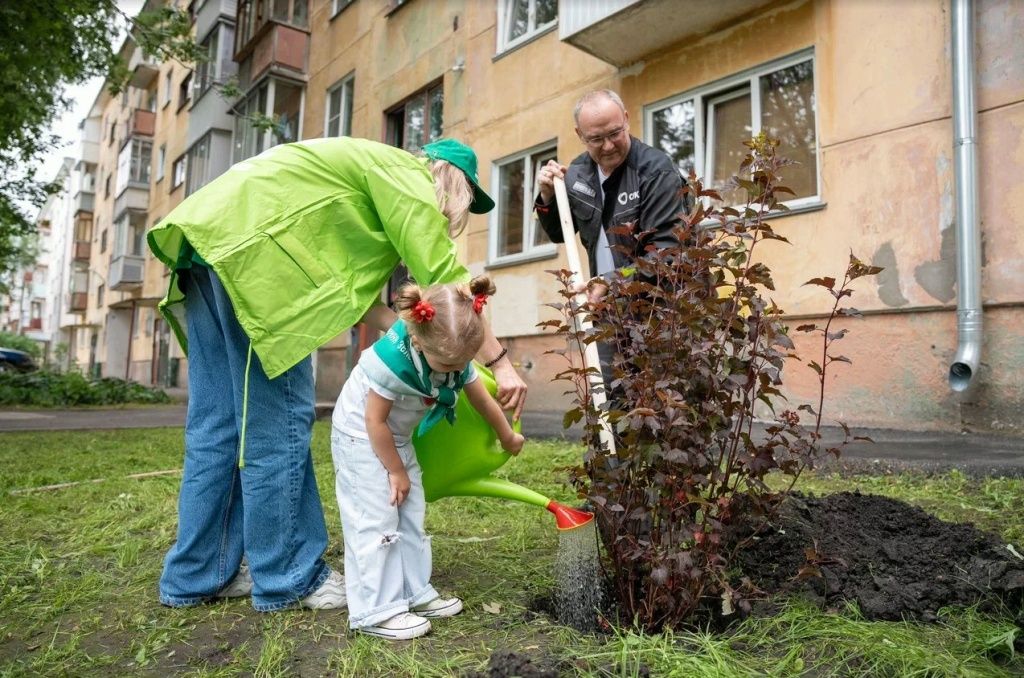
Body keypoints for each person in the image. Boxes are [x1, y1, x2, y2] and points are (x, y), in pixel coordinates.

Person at [147, 136, 527, 612]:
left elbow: (361, 302)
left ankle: (200, 572)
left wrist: (419, 341)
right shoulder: (409, 180)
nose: (451, 219)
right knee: (276, 424)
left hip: (210, 243)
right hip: (256, 263)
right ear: (453, 186)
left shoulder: (360, 183)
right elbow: (447, 280)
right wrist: (500, 362)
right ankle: (289, 577)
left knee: (218, 424)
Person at [332, 275, 524, 640]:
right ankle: (377, 610)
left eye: (460, 366)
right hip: (362, 438)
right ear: (417, 342)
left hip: (395, 436)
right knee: (376, 517)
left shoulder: (452, 350)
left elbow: (481, 398)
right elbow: (374, 421)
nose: (455, 373)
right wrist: (395, 470)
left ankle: (412, 591)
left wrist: (507, 435)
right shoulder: (391, 361)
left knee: (411, 511)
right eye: (448, 367)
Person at [534, 89, 688, 410]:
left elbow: (666, 254)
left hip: (656, 311)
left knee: (660, 402)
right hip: (605, 311)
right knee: (609, 401)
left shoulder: (655, 171)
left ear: (627, 120)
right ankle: (610, 460)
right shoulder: (577, 174)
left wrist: (610, 282)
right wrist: (548, 196)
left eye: (615, 133)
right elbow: (559, 233)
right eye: (596, 138)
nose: (607, 146)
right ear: (580, 135)